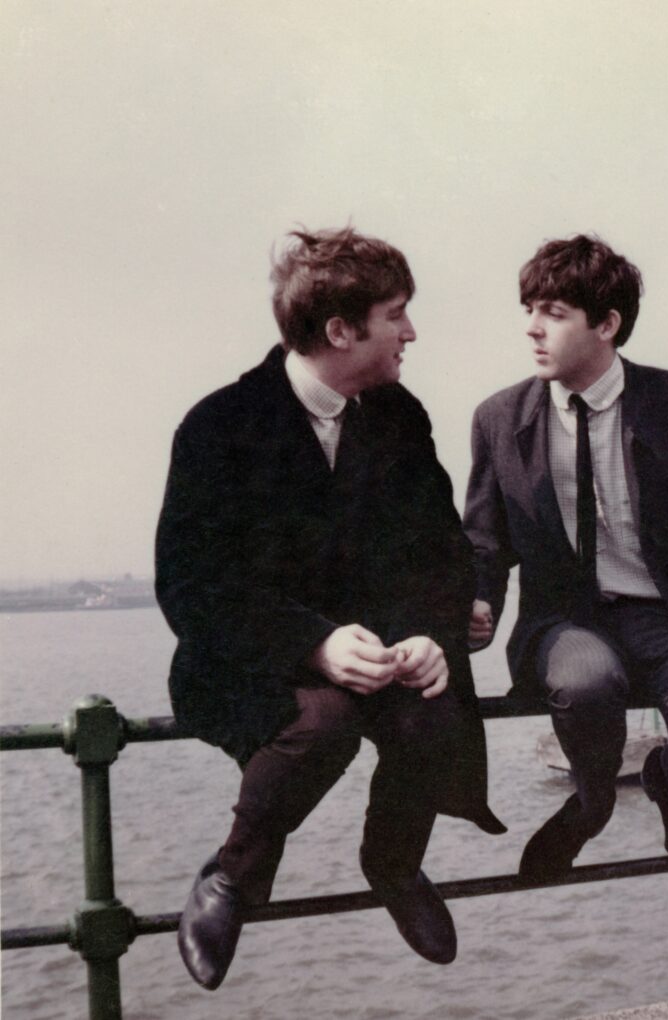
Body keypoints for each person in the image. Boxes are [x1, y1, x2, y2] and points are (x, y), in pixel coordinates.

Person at [156, 226, 504, 991]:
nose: (411, 332)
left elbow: (441, 551)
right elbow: (191, 586)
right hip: (255, 659)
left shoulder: (399, 415)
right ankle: (233, 877)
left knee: (430, 708)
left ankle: (394, 864)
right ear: (342, 331)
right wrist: (315, 645)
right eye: (396, 315)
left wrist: (429, 634)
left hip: (380, 647)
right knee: (324, 722)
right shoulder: (220, 426)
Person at [463, 234, 668, 883]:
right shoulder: (498, 419)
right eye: (529, 310)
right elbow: (484, 540)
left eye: (553, 313)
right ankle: (592, 803)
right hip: (567, 624)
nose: (532, 328)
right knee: (585, 680)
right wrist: (477, 598)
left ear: (607, 325)